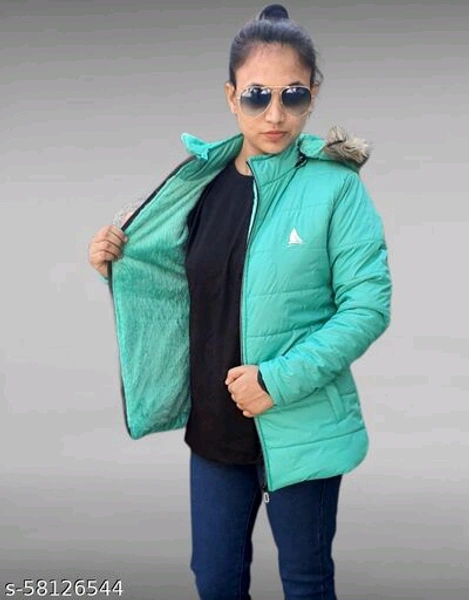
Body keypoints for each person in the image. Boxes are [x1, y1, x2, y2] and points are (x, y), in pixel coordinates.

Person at [88, 4, 392, 599]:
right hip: (215, 429)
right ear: (231, 97)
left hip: (298, 422)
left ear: (313, 96)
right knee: (216, 581)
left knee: (306, 583)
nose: (275, 114)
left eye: (292, 95)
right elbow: (188, 292)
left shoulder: (336, 188)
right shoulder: (199, 184)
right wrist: (116, 271)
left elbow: (367, 306)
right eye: (257, 96)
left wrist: (275, 381)